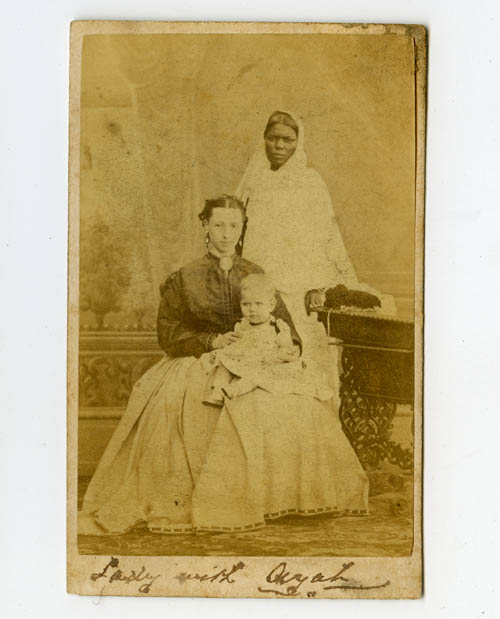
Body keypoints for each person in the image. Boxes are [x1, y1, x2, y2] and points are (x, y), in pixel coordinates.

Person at [79, 194, 368, 536]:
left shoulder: (255, 273)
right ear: (205, 226)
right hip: (200, 361)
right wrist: (212, 341)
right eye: (219, 225)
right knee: (199, 410)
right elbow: (168, 333)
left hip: (260, 361)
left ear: (242, 228)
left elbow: (283, 324)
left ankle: (276, 499)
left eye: (234, 225)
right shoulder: (185, 277)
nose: (227, 233)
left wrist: (288, 346)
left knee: (297, 404)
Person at [236, 110, 392, 396]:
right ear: (264, 141)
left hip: (301, 287)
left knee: (304, 356)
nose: (279, 145)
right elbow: (240, 235)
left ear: (299, 142)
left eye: (287, 139)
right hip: (261, 286)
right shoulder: (253, 184)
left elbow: (327, 239)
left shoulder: (310, 182)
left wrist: (320, 286)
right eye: (272, 138)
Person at [201, 273, 333, 403]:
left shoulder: (278, 326)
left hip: (265, 360)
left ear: (271, 305)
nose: (252, 309)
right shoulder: (241, 324)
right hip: (246, 357)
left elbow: (284, 346)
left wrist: (283, 350)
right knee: (224, 362)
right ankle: (218, 389)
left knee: (259, 375)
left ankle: (233, 390)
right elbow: (237, 343)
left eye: (258, 304)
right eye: (246, 304)